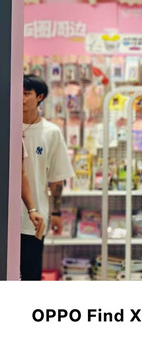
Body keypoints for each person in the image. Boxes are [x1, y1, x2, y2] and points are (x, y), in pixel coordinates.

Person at [22, 75, 74, 280]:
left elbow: (56, 179)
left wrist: (57, 213)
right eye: (18, 93)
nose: (21, 98)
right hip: (6, 217)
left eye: (27, 94)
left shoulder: (51, 132)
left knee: (30, 275)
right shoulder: (7, 126)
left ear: (39, 97)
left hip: (34, 219)